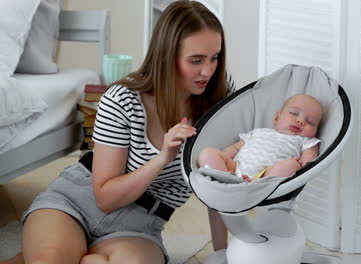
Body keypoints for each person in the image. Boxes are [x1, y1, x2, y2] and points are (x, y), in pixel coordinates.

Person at [0, 1, 235, 264]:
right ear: (167, 55)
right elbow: (105, 198)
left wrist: (222, 254)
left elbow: (218, 181)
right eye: (196, 60)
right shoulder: (123, 98)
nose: (208, 70)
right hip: (76, 201)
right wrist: (161, 159)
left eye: (214, 57)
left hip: (140, 227)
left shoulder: (219, 96)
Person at [198, 94, 323, 182]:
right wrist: (222, 158)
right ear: (276, 118)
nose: (300, 120)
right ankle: (224, 177)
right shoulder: (258, 132)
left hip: (265, 175)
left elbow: (309, 161)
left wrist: (300, 164)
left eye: (310, 122)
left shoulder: (305, 141)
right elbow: (236, 148)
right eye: (294, 113)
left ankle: (254, 186)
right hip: (235, 168)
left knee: (291, 166)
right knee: (207, 153)